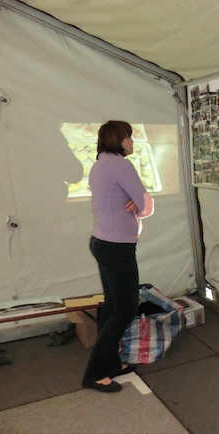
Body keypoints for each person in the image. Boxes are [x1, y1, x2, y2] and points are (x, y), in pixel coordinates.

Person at [82, 121, 154, 393]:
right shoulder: (121, 165)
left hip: (103, 242)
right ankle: (95, 373)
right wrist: (142, 203)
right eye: (129, 138)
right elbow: (146, 205)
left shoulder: (100, 164)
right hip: (116, 246)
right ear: (119, 140)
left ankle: (111, 363)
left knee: (113, 306)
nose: (132, 143)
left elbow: (134, 200)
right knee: (125, 308)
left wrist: (138, 201)